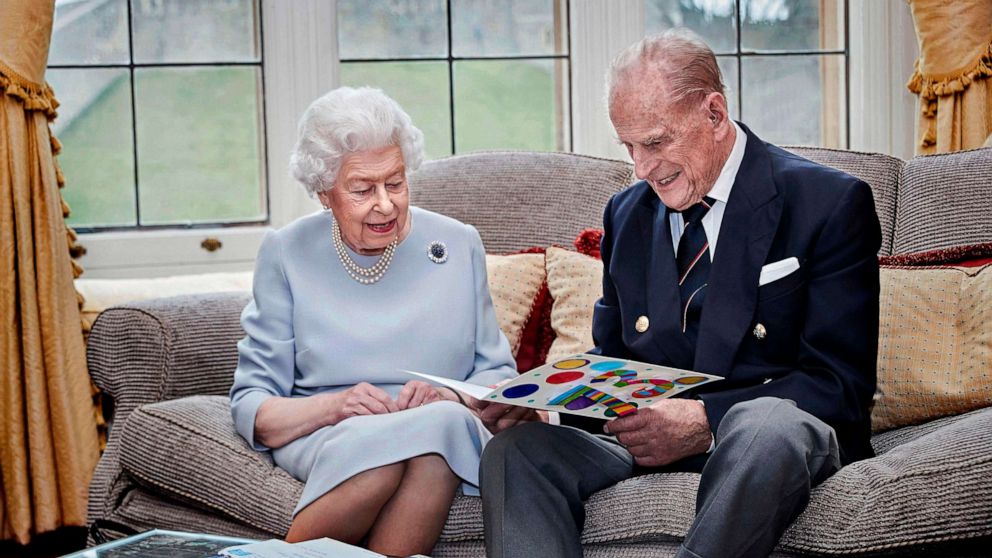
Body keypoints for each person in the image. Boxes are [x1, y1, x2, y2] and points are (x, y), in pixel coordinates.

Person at [477, 29, 880, 558]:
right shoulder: (627, 213)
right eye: (628, 146)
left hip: (765, 444)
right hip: (646, 443)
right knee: (515, 452)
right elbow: (615, 362)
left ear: (714, 113)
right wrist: (546, 408)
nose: (642, 169)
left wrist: (706, 422)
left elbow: (840, 386)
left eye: (656, 142)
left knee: (767, 426)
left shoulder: (828, 202)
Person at [229, 86, 516, 556]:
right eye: (362, 190)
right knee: (401, 454)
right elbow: (254, 406)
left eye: (396, 183)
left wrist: (449, 394)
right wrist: (337, 406)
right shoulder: (287, 252)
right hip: (328, 429)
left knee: (436, 432)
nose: (385, 204)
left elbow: (498, 376)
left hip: (440, 424)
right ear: (324, 193)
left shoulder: (458, 243)